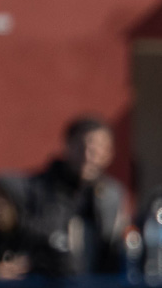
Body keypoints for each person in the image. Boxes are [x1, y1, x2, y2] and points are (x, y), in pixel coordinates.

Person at [28, 115, 127, 277]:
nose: (88, 156)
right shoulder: (39, 189)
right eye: (82, 147)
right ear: (67, 146)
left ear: (109, 154)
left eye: (98, 149)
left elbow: (116, 241)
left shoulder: (112, 194)